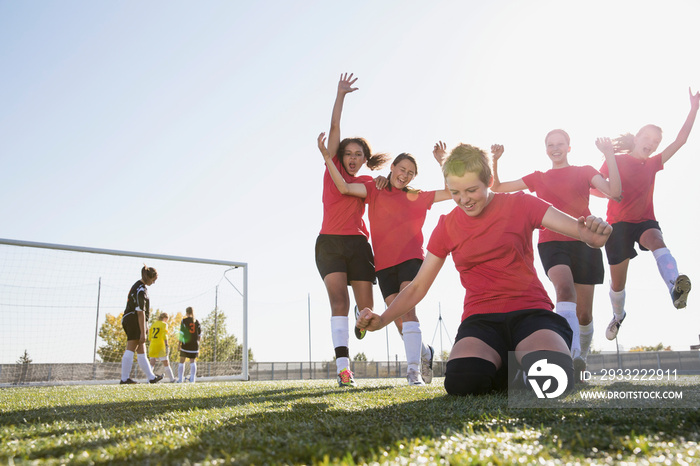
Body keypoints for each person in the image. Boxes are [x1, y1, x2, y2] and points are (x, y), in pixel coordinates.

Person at [357, 143, 612, 396]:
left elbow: (579, 229)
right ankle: (511, 367)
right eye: (455, 192)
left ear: (489, 180)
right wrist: (383, 319)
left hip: (530, 313)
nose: (464, 200)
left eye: (471, 190)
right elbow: (418, 286)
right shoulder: (446, 226)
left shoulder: (520, 204)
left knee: (552, 378)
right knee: (463, 382)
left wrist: (592, 235)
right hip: (481, 320)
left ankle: (526, 363)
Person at [318, 133, 450, 385]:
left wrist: (442, 162)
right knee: (400, 322)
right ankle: (425, 352)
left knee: (409, 311)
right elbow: (344, 188)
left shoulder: (418, 196)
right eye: (402, 169)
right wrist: (327, 158)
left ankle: (413, 373)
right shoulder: (374, 189)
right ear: (392, 168)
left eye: (411, 172)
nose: (405, 175)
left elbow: (453, 192)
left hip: (412, 261)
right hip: (384, 266)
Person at [490, 130, 621, 375]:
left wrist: (609, 155)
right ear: (546, 149)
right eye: (551, 145)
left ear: (569, 147)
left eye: (560, 144)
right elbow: (497, 188)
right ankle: (567, 360)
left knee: (584, 313)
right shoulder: (539, 177)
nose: (555, 148)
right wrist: (496, 160)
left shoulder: (584, 171)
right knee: (563, 289)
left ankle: (581, 355)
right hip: (551, 242)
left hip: (585, 241)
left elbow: (615, 192)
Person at [596, 88, 699, 341]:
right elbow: (594, 188)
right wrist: (611, 193)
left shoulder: (652, 164)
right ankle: (618, 316)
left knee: (657, 241)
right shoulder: (616, 160)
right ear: (638, 136)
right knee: (618, 283)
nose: (652, 144)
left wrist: (694, 108)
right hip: (617, 225)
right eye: (648, 137)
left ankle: (675, 288)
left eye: (656, 142)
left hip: (645, 221)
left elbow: (681, 140)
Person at [315, 73, 390, 388]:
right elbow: (334, 129)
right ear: (340, 156)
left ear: (364, 160)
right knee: (338, 304)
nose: (354, 158)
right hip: (329, 244)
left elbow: (389, 196)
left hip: (359, 245)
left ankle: (361, 322)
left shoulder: (368, 183)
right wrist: (340, 95)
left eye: (359, 155)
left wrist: (385, 182)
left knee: (366, 312)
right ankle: (344, 369)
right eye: (349, 153)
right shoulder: (330, 165)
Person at [120, 265, 163, 384]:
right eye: (154, 280)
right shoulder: (141, 290)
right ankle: (124, 379)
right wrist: (143, 332)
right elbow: (140, 312)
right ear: (149, 277)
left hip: (130, 318)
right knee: (131, 347)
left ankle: (151, 377)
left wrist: (146, 325)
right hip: (133, 319)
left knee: (141, 350)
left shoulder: (137, 286)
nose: (154, 282)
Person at [148, 312, 176, 382]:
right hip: (160, 345)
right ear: (165, 318)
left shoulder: (153, 324)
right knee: (166, 363)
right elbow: (164, 335)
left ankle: (149, 379)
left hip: (152, 345)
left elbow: (149, 337)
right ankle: (172, 379)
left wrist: (151, 344)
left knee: (152, 363)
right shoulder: (164, 324)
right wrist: (166, 345)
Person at [178, 306, 201, 383]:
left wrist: (179, 344)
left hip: (186, 344)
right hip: (194, 344)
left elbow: (181, 333)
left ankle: (180, 379)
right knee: (192, 361)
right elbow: (199, 335)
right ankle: (192, 380)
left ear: (186, 312)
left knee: (182, 361)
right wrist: (197, 344)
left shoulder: (184, 321)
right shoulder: (197, 322)